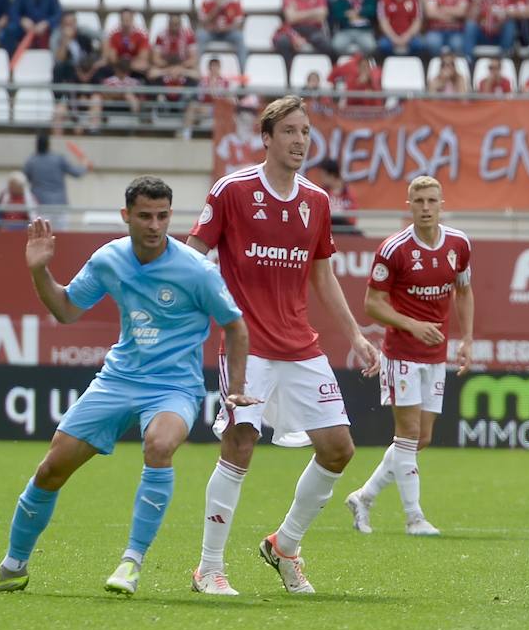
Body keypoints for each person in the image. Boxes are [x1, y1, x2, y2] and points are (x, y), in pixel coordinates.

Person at [0, 177, 256, 596]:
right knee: (50, 469)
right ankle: (12, 568)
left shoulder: (196, 270)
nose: (155, 225)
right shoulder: (109, 259)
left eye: (163, 216)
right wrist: (39, 270)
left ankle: (131, 563)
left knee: (159, 444)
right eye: (145, 216)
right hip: (118, 379)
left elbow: (235, 325)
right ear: (126, 217)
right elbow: (65, 310)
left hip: (174, 387)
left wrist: (236, 387)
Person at [188, 96, 380, 596]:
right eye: (290, 131)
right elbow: (193, 256)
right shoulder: (232, 191)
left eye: (306, 132)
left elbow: (323, 274)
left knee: (339, 449)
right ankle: (209, 567)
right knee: (241, 443)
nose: (300, 141)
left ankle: (284, 544)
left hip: (300, 346)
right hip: (246, 348)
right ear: (267, 138)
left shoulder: (316, 201)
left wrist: (355, 334)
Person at [345, 176, 474, 537]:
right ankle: (414, 517)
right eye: (419, 201)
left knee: (423, 438)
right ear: (409, 205)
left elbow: (464, 291)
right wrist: (413, 325)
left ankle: (363, 496)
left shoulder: (459, 244)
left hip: (435, 356)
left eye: (432, 201)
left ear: (441, 203)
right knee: (408, 433)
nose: (426, 207)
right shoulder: (394, 249)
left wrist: (466, 339)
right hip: (401, 354)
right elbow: (372, 304)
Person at [23, 133, 88, 224]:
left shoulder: (31, 161)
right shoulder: (58, 158)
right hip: (59, 205)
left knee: (42, 235)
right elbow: (77, 173)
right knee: (61, 236)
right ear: (49, 144)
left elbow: (25, 179)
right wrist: (85, 165)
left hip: (40, 205)